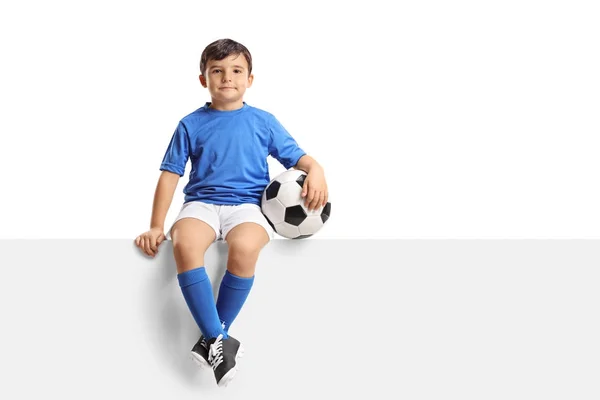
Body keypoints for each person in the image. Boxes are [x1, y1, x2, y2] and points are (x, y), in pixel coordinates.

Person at [134, 38, 328, 388]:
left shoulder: (263, 121)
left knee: (247, 247)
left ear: (250, 79)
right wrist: (155, 225)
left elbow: (301, 158)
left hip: (247, 206)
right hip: (201, 204)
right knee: (185, 244)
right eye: (217, 71)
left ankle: (211, 339)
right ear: (203, 79)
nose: (227, 78)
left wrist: (318, 170)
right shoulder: (190, 124)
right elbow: (169, 176)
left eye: (237, 71)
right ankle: (221, 339)